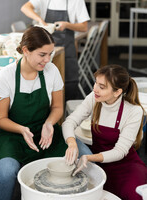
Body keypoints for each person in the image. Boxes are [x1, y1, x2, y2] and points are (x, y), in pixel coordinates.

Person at [0, 26, 68, 200]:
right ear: (25, 50)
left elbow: (57, 108)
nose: (47, 60)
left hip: (45, 132)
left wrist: (49, 123)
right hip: (12, 135)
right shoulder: (6, 76)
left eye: (50, 54)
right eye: (42, 55)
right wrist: (22, 130)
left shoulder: (52, 71)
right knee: (6, 171)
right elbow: (1, 119)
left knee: (81, 155)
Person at [62, 64, 147, 200]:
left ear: (117, 92)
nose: (95, 89)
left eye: (102, 87)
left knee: (135, 195)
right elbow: (69, 122)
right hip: (98, 165)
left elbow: (120, 151)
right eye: (95, 83)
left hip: (125, 166)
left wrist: (89, 157)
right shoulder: (94, 98)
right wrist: (72, 143)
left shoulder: (133, 111)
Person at [21, 0, 90, 101]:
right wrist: (40, 19)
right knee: (43, 84)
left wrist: (67, 25)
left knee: (68, 82)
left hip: (66, 48)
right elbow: (25, 7)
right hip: (43, 49)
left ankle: (66, 113)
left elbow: (84, 27)